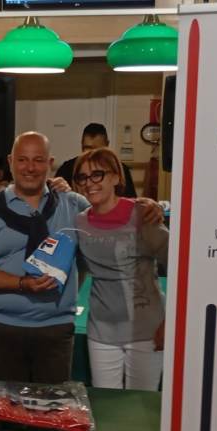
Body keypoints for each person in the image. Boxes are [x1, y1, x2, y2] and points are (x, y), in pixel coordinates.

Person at [0, 132, 89, 384]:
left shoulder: (73, 204)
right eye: (22, 160)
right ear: (10, 161)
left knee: (52, 406)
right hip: (4, 329)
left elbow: (108, 221)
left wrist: (146, 206)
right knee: (8, 405)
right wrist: (22, 284)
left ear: (50, 163)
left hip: (56, 329)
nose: (30, 168)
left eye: (38, 160)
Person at [72, 147, 168, 390]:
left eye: (97, 175)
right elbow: (79, 266)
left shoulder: (144, 216)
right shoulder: (80, 222)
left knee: (141, 404)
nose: (89, 183)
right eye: (82, 177)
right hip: (101, 332)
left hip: (147, 331)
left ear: (116, 177)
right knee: (106, 404)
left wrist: (171, 323)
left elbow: (183, 270)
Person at [54, 123, 137, 198]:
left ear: (107, 145)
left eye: (98, 150)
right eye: (87, 149)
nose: (92, 155)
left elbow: (130, 202)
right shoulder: (67, 169)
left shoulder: (119, 169)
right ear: (82, 145)